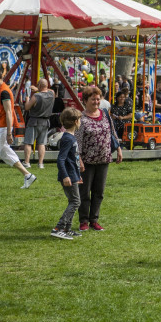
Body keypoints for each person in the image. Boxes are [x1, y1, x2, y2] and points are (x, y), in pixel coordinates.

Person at [76, 87, 123, 231]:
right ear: (85, 101)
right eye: (93, 99)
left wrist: (119, 149)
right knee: (84, 192)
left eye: (98, 99)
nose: (96, 102)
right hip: (87, 161)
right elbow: (77, 141)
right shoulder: (81, 118)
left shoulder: (104, 114)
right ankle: (83, 221)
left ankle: (94, 220)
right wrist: (80, 160)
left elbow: (112, 132)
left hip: (104, 158)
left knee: (99, 192)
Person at [51, 108, 83, 240]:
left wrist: (77, 172)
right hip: (68, 176)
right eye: (80, 119)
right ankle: (58, 228)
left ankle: (67, 229)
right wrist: (65, 176)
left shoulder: (70, 137)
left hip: (73, 174)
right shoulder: (68, 139)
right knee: (75, 202)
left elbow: (72, 158)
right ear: (76, 122)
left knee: (73, 201)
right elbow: (61, 159)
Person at [23, 79, 55, 170]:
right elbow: (50, 90)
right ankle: (40, 163)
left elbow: (27, 107)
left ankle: (27, 162)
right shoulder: (51, 94)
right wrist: (38, 88)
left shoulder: (36, 96)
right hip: (46, 122)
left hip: (34, 121)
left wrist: (27, 99)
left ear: (40, 85)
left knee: (28, 142)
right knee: (41, 143)